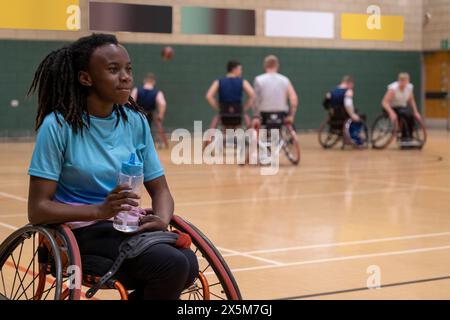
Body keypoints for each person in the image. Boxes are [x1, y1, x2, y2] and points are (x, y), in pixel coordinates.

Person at [27, 33, 198, 300]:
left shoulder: (135, 122)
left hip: (124, 227)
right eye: (113, 69)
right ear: (86, 78)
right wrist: (100, 210)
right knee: (171, 265)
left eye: (128, 69)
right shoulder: (58, 126)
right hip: (78, 233)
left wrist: (162, 219)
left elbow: (161, 190)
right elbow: (37, 210)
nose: (126, 77)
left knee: (188, 262)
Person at [252, 55, 298, 129]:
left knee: (261, 136)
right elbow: (294, 99)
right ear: (277, 66)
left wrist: (255, 117)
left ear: (264, 66)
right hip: (281, 115)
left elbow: (255, 100)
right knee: (284, 134)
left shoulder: (258, 80)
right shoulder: (285, 80)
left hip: (264, 115)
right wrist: (291, 116)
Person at [205, 60, 254, 129]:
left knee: (224, 128)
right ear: (234, 69)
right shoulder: (242, 81)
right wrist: (245, 107)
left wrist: (218, 107)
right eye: (240, 69)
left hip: (224, 113)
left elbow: (209, 96)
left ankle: (213, 137)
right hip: (238, 113)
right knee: (240, 126)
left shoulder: (219, 82)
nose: (241, 71)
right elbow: (253, 95)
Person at [324, 75, 364, 145]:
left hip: (334, 118)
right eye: (352, 84)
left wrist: (331, 111)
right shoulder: (348, 91)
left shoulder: (331, 91)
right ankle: (355, 137)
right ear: (349, 83)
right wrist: (352, 115)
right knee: (360, 117)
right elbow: (348, 105)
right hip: (344, 117)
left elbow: (325, 103)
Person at [381, 72, 422, 141]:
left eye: (405, 81)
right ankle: (404, 137)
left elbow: (411, 100)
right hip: (390, 107)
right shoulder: (393, 89)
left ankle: (409, 136)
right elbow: (384, 102)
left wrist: (416, 112)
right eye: (402, 80)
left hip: (401, 107)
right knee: (404, 115)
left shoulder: (409, 88)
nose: (403, 83)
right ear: (399, 81)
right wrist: (391, 113)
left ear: (408, 81)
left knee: (410, 115)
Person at [131, 73, 168, 148]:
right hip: (151, 114)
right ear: (153, 82)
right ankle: (156, 143)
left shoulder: (137, 90)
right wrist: (160, 115)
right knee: (154, 130)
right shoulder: (157, 92)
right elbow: (162, 104)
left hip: (138, 114)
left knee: (136, 130)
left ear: (144, 81)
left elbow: (131, 101)